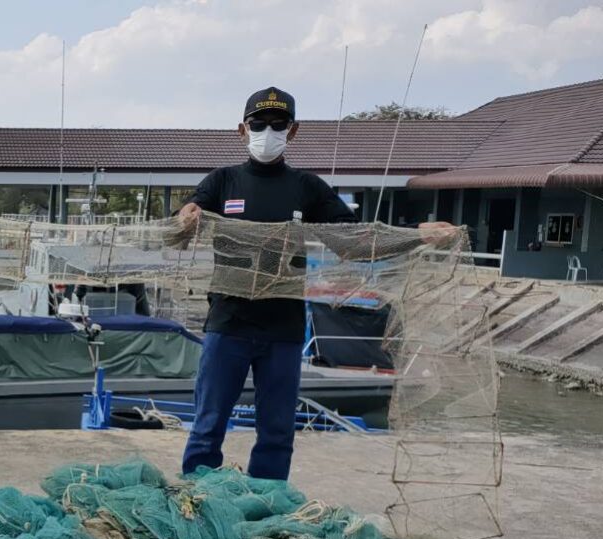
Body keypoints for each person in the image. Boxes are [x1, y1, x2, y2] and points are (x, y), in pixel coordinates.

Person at [176, 86, 452, 480]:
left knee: (277, 431)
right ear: (242, 129)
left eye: (278, 124)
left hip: (283, 330)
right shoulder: (221, 182)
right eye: (258, 124)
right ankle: (198, 493)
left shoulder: (307, 187)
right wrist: (185, 216)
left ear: (293, 131)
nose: (267, 131)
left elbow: (355, 241)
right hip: (227, 324)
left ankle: (268, 500)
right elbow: (182, 225)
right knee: (208, 424)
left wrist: (415, 235)